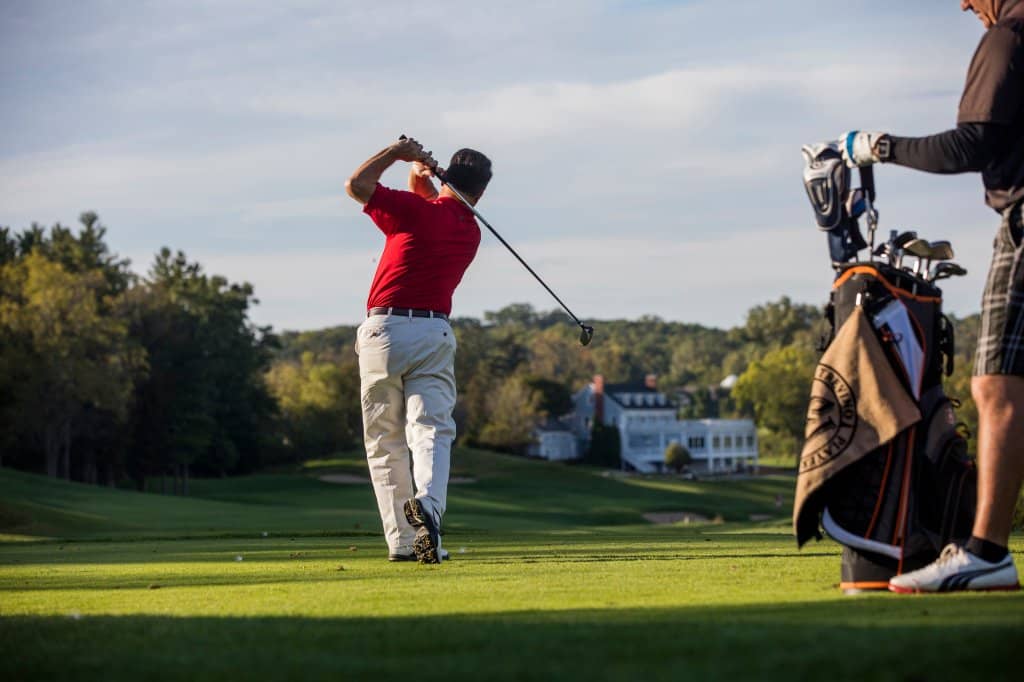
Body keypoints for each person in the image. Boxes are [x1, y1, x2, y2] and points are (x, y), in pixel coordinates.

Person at [840, 0, 1023, 593]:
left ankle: (987, 552)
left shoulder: (1007, 37)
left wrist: (876, 147)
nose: (964, 3)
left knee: (997, 385)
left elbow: (971, 145)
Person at [344, 137, 492, 564]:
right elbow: (434, 202)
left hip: (385, 332)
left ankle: (404, 542)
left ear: (447, 174)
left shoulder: (413, 213)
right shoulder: (470, 230)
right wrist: (421, 175)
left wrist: (398, 154)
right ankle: (429, 505)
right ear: (481, 192)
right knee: (430, 430)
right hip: (433, 336)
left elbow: (357, 184)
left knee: (384, 441)